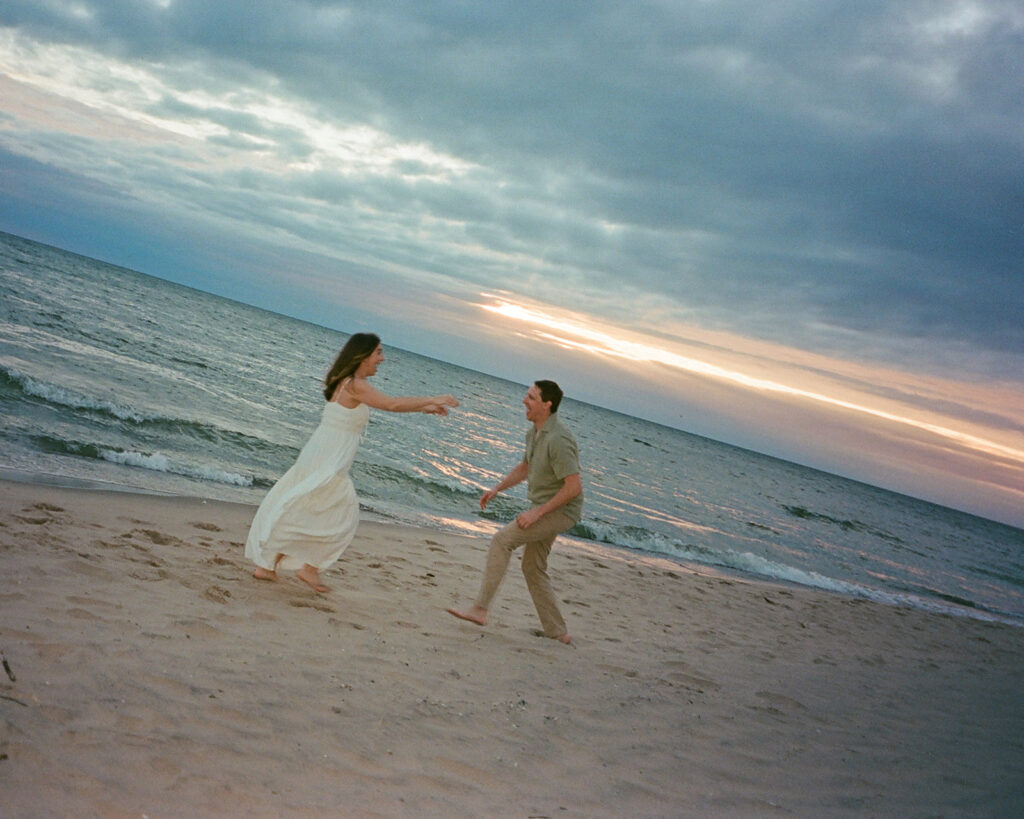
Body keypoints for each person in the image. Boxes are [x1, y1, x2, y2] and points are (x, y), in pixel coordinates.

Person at [245, 333, 458, 593]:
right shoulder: (355, 384)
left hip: (322, 452)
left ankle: (271, 567)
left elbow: (388, 404)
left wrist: (424, 408)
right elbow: (391, 404)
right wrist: (434, 398)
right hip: (329, 458)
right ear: (363, 355)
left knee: (304, 508)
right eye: (378, 352)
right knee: (338, 514)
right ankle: (305, 569)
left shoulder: (346, 382)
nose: (382, 358)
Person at [447, 379, 582, 644]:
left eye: (531, 397)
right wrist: (497, 488)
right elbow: (526, 467)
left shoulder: (559, 438)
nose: (524, 401)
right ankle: (557, 631)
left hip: (562, 510)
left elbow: (573, 487)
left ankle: (480, 610)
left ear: (547, 404)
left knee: (502, 540)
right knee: (532, 566)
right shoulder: (534, 432)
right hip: (545, 508)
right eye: (526, 395)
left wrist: (537, 513)